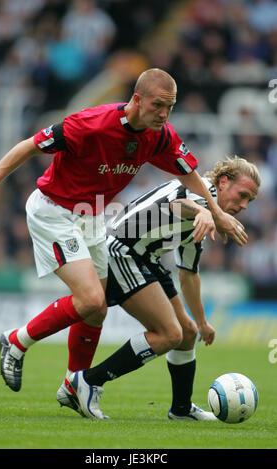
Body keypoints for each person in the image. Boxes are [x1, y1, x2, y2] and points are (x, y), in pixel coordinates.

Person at [0, 68, 246, 394]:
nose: (163, 113)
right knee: (90, 299)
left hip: (91, 215)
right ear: (137, 99)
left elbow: (188, 172)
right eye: (158, 104)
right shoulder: (90, 124)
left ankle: (74, 384)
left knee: (98, 309)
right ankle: (16, 341)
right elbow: (29, 146)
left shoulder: (160, 134)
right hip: (54, 210)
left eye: (170, 107)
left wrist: (215, 211)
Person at [57, 156, 260, 420]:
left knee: (187, 333)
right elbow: (177, 205)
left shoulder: (207, 215)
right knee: (168, 334)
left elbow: (188, 273)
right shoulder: (201, 194)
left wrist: (201, 322)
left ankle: (181, 409)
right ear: (222, 183)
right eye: (242, 195)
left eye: (250, 201)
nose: (244, 205)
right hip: (123, 250)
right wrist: (205, 213)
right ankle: (86, 381)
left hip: (146, 259)